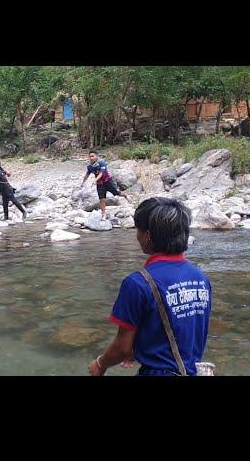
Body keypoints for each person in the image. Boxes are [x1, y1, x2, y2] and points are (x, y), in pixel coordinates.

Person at [88, 197, 212, 376]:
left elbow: (122, 348)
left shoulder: (138, 283)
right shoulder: (201, 278)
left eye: (138, 230)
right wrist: (138, 350)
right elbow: (183, 328)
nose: (137, 236)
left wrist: (100, 364)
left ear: (148, 236)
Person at [80, 150, 130, 220]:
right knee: (101, 199)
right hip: (100, 184)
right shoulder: (90, 166)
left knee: (117, 193)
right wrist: (83, 182)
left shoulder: (102, 162)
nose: (91, 158)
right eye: (90, 156)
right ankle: (103, 214)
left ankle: (125, 195)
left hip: (108, 182)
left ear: (96, 156)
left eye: (93, 156)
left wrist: (95, 180)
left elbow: (101, 173)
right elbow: (87, 174)